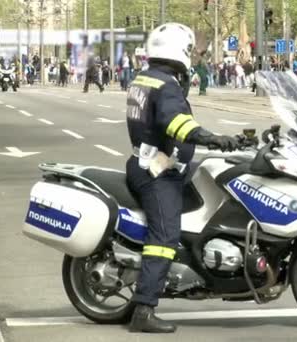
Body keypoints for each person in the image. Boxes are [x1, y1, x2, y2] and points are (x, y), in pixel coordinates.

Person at [125, 23, 238, 333]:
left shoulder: (146, 78)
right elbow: (174, 122)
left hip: (157, 161)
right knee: (164, 236)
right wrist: (210, 138)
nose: (192, 56)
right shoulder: (165, 84)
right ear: (179, 51)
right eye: (190, 50)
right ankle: (144, 309)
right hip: (156, 171)